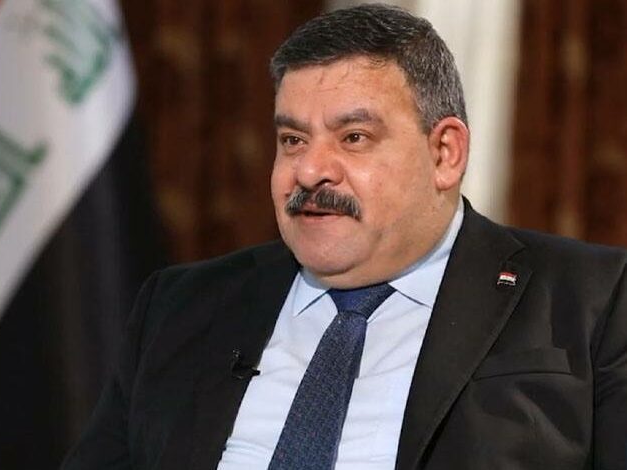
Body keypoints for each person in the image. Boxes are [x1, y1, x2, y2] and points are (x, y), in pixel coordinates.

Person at [63, 4, 627, 469]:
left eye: (354, 137)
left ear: (444, 153)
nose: (310, 171)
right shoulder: (181, 306)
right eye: (292, 140)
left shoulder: (593, 300)